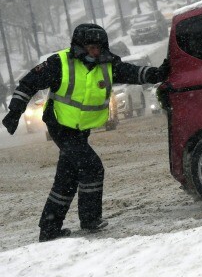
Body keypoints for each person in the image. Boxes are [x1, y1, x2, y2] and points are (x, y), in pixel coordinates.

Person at [1, 23, 169, 242]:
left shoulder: (108, 64)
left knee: (67, 177)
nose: (96, 52)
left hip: (81, 130)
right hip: (61, 126)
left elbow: (133, 73)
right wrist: (15, 111)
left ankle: (49, 229)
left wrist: (158, 73)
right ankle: (90, 219)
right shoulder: (59, 63)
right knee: (92, 167)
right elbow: (29, 83)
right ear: (79, 47)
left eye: (99, 47)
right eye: (91, 47)